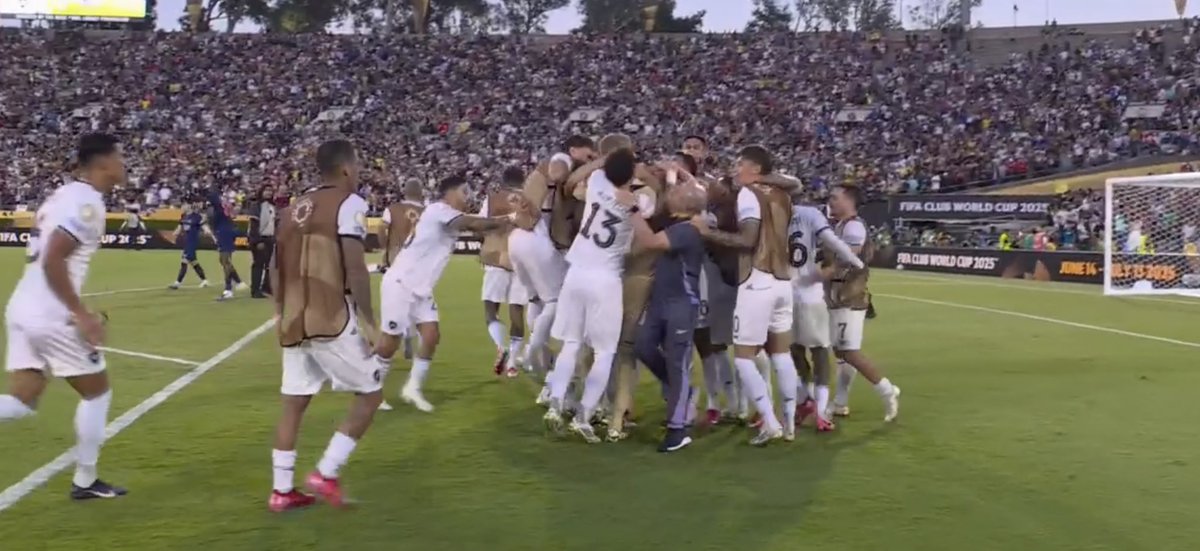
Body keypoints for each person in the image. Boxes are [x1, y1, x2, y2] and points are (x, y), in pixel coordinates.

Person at [0, 133, 127, 500]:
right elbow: (54, 258)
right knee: (97, 393)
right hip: (51, 313)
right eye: (119, 157)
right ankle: (85, 480)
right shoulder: (87, 204)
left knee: (23, 400)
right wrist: (81, 314)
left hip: (22, 306)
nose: (124, 164)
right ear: (103, 162)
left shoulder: (63, 195)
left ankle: (86, 481)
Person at [268, 139, 383, 512]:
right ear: (347, 168)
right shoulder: (349, 203)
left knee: (293, 404)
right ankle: (326, 472)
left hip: (293, 320)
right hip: (330, 316)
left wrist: (278, 312)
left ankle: (281, 491)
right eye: (358, 165)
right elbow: (355, 267)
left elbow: (273, 266)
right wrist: (370, 322)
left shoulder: (292, 209)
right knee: (370, 394)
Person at [691, 146, 802, 445]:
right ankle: (789, 424)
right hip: (783, 281)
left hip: (757, 279)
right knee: (781, 354)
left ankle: (770, 422)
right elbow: (796, 185)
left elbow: (747, 239)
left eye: (741, 164)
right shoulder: (783, 194)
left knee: (743, 358)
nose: (736, 169)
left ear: (755, 169)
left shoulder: (749, 194)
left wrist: (706, 232)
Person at [374, 176, 511, 413]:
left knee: (431, 335)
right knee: (390, 342)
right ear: (450, 192)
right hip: (401, 283)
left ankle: (413, 388)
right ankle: (370, 391)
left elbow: (476, 227)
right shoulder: (438, 210)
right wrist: (508, 220)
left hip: (420, 289)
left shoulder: (444, 214)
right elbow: (472, 224)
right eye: (464, 191)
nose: (468, 197)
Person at [542, 147, 650, 443]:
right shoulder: (638, 202)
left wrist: (604, 160)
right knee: (605, 352)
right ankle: (584, 416)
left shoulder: (598, 182)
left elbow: (577, 178)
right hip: (606, 278)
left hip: (576, 271)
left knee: (571, 343)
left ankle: (555, 405)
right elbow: (650, 211)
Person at [630, 178, 708, 452]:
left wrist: (632, 210)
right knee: (642, 346)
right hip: (661, 301)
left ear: (688, 202)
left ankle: (677, 430)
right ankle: (682, 392)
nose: (671, 193)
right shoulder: (680, 225)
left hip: (681, 305)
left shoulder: (688, 230)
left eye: (677, 191)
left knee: (677, 364)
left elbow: (650, 241)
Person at [508, 136, 596, 381]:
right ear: (573, 150)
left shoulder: (543, 173)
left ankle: (539, 356)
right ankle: (531, 353)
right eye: (588, 155)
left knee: (535, 299)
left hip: (518, 238)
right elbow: (557, 172)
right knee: (555, 299)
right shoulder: (561, 158)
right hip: (536, 239)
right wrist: (577, 173)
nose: (590, 160)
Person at [825, 185, 901, 422]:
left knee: (849, 351)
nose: (831, 201)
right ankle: (840, 402)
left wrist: (819, 273)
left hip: (849, 297)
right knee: (841, 350)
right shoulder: (840, 225)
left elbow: (850, 256)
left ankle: (887, 390)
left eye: (835, 198)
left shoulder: (854, 226)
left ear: (849, 201)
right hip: (839, 296)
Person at [787, 198, 864, 433]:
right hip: (805, 297)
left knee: (799, 351)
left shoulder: (776, 219)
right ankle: (816, 407)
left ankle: (809, 401)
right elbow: (831, 264)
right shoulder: (812, 222)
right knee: (814, 353)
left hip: (790, 295)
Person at [478, 166, 530, 377]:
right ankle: (512, 364)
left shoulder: (492, 199)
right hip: (521, 261)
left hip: (496, 257)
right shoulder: (529, 200)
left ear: (503, 181)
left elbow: (481, 225)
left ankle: (502, 346)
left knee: (491, 311)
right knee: (517, 311)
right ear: (523, 181)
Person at [207, 183, 245, 300]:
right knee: (224, 260)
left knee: (225, 261)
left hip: (224, 232)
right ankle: (238, 282)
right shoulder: (223, 203)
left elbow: (214, 202)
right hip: (225, 231)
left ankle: (228, 289)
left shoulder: (218, 204)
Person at [169, 201, 213, 289]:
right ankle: (205, 281)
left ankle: (177, 283)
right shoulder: (183, 216)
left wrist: (207, 231)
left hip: (192, 242)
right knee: (193, 262)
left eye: (184, 205)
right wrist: (175, 233)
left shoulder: (197, 216)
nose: (182, 207)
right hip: (187, 241)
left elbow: (204, 226)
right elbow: (179, 227)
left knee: (184, 261)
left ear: (189, 206)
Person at [248, 185, 278, 299]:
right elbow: (254, 225)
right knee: (258, 265)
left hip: (270, 238)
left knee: (270, 265)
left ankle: (267, 287)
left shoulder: (272, 206)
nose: (269, 193)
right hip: (260, 239)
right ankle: (255, 290)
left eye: (270, 191)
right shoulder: (256, 206)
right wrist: (257, 241)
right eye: (266, 190)